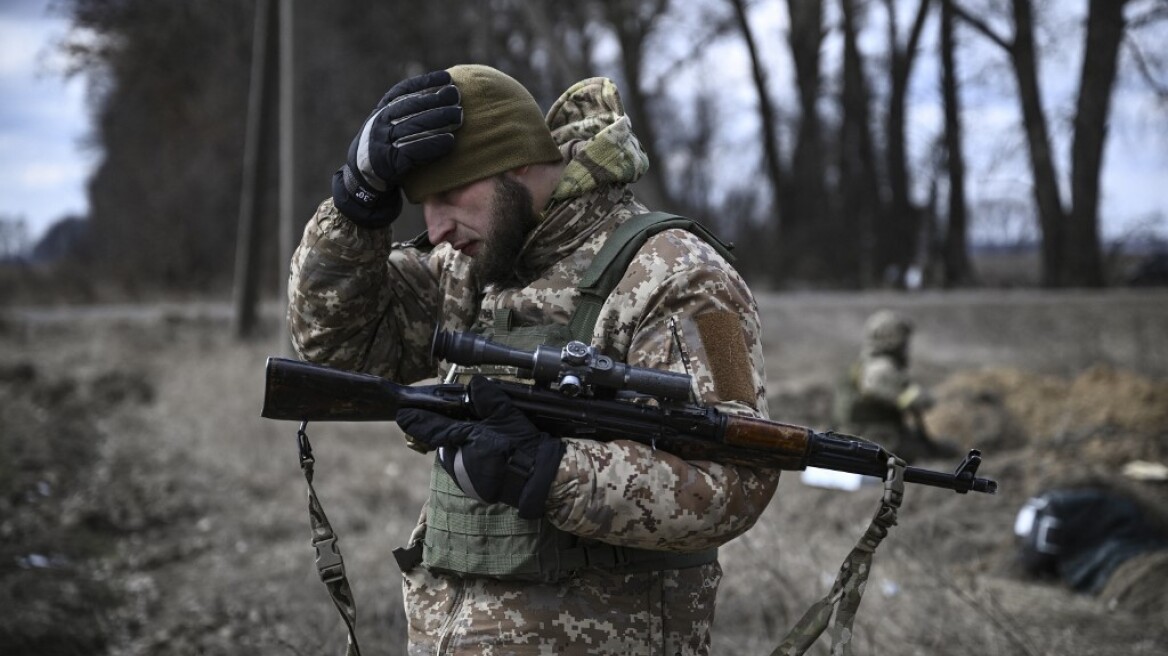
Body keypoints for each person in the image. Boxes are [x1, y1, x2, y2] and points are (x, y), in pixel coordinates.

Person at [287, 64, 778, 655]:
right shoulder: (471, 267)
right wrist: (355, 205)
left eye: (448, 194)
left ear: (516, 162)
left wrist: (546, 471)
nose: (436, 228)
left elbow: (739, 478)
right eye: (421, 204)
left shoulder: (685, 276)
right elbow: (337, 347)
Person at [831, 309, 952, 462]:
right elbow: (904, 398)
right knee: (945, 452)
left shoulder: (867, 362)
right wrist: (921, 397)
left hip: (865, 435)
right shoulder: (880, 367)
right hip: (876, 438)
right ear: (892, 339)